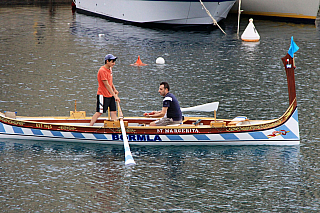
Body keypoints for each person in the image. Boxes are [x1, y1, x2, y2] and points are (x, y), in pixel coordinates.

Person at [89, 54, 120, 126]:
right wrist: (115, 96)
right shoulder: (102, 70)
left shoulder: (110, 69)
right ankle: (90, 125)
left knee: (114, 111)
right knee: (99, 112)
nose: (114, 63)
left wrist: (114, 89)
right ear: (107, 61)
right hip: (103, 94)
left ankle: (113, 127)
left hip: (110, 94)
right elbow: (106, 84)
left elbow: (110, 82)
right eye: (112, 62)